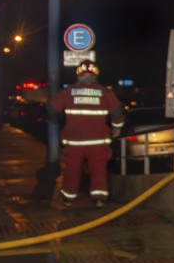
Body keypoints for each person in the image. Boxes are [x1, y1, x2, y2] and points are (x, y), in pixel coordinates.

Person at [50, 60, 125, 208]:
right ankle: (99, 198)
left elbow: (51, 108)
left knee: (72, 169)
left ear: (78, 75)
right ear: (96, 75)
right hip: (98, 141)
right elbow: (117, 112)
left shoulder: (68, 91)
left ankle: (67, 197)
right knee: (98, 169)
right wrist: (117, 128)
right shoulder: (105, 92)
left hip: (74, 141)